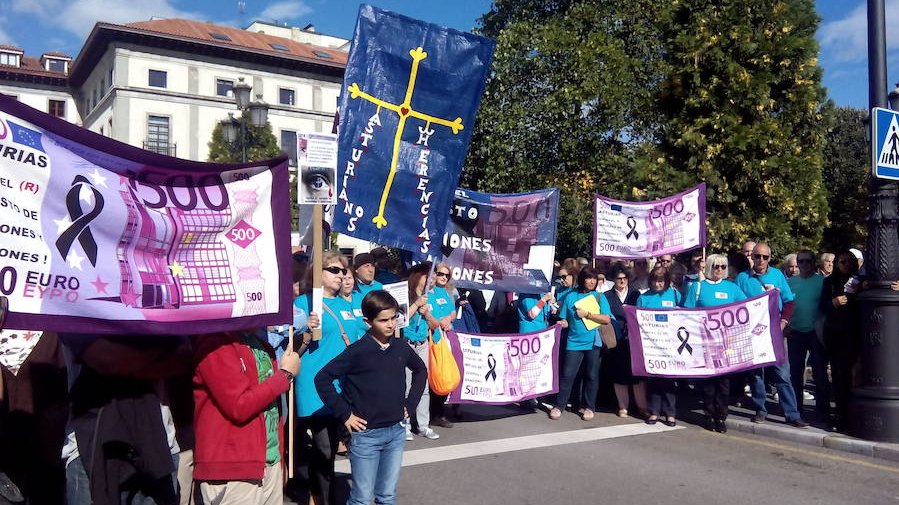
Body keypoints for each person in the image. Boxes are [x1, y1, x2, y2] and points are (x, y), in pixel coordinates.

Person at [315, 291, 427, 505]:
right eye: (383, 320)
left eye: (394, 317)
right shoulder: (358, 351)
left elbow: (421, 371)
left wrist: (410, 404)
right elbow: (323, 379)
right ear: (367, 321)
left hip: (396, 432)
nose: (390, 324)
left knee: (387, 495)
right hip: (366, 436)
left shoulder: (401, 347)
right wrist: (345, 414)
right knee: (362, 499)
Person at [192, 329, 300, 505]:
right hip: (234, 470)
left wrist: (279, 460)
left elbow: (272, 410)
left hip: (268, 464)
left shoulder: (260, 343)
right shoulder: (214, 341)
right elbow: (238, 405)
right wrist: (285, 375)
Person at [293, 252, 365, 505]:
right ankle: (320, 497)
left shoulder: (349, 305)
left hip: (341, 388)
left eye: (344, 270)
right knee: (320, 448)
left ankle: (319, 495)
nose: (341, 275)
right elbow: (287, 347)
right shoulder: (304, 304)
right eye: (334, 270)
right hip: (313, 386)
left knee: (329, 448)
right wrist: (304, 330)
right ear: (318, 273)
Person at [735, 243, 808, 429]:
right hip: (753, 332)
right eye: (757, 256)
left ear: (770, 258)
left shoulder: (777, 276)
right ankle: (761, 409)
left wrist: (783, 322)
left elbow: (789, 302)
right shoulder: (743, 278)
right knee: (756, 374)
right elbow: (736, 306)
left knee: (782, 373)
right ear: (752, 257)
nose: (760, 260)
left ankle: (792, 414)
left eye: (764, 257)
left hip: (774, 331)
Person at [683, 254, 747, 433]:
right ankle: (709, 414)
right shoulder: (697, 287)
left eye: (723, 266)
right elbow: (687, 312)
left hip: (725, 344)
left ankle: (721, 416)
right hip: (704, 343)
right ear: (709, 266)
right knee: (708, 384)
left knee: (724, 384)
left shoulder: (732, 288)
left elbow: (745, 308)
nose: (719, 269)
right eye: (716, 266)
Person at [550, 267, 612, 421]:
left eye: (594, 279)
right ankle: (559, 406)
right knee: (567, 375)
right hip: (573, 342)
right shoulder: (571, 296)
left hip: (593, 343)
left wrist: (588, 314)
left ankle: (589, 407)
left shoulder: (599, 297)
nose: (592, 281)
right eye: (589, 278)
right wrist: (561, 323)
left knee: (591, 375)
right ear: (582, 279)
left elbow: (606, 319)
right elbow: (565, 319)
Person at [820, 250, 861, 431]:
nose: (845, 265)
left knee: (852, 376)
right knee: (838, 375)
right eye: (842, 262)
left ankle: (853, 415)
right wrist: (833, 303)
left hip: (854, 334)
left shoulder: (859, 282)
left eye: (848, 262)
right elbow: (822, 306)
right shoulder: (829, 282)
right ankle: (841, 416)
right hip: (835, 334)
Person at [786, 250, 829, 423]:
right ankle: (796, 410)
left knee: (820, 372)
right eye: (800, 262)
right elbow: (784, 305)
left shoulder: (822, 282)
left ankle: (823, 411)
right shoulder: (790, 282)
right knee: (795, 373)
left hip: (815, 332)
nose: (804, 265)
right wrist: (785, 325)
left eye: (808, 262)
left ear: (814, 263)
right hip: (795, 332)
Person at [638, 267, 682, 427]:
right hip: (652, 346)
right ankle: (654, 412)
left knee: (669, 381)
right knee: (654, 381)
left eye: (661, 281)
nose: (658, 284)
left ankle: (670, 413)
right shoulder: (644, 298)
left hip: (670, 345)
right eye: (655, 281)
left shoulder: (674, 295)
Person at [403, 263, 442, 440]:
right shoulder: (405, 294)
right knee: (406, 385)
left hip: (422, 343)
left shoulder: (430, 298)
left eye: (433, 276)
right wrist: (416, 305)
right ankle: (405, 425)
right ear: (417, 277)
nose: (432, 279)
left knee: (423, 386)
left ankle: (424, 425)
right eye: (428, 276)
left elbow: (435, 325)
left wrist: (427, 314)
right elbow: (400, 320)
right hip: (406, 343)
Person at [603, 265, 646, 418]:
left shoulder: (636, 294)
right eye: (618, 278)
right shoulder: (606, 296)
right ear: (613, 279)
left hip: (633, 340)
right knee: (618, 375)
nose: (622, 281)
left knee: (637, 375)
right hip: (614, 340)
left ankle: (642, 406)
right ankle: (623, 407)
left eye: (624, 278)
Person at [429, 263, 457, 429]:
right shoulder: (427, 293)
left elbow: (452, 311)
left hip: (444, 338)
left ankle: (439, 414)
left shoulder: (446, 293)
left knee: (443, 374)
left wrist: (449, 318)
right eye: (440, 274)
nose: (443, 277)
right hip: (432, 338)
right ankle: (431, 414)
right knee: (432, 376)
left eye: (447, 275)